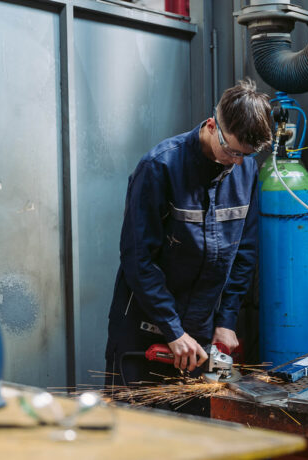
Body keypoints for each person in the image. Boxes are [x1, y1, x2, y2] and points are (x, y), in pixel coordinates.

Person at [105, 78, 273, 390]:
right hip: (146, 326)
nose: (236, 162)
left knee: (203, 426)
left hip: (202, 331)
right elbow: (137, 259)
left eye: (245, 155)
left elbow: (245, 253)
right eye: (231, 151)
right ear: (212, 125)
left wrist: (226, 321)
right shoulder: (159, 167)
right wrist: (171, 329)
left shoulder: (246, 170)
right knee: (137, 427)